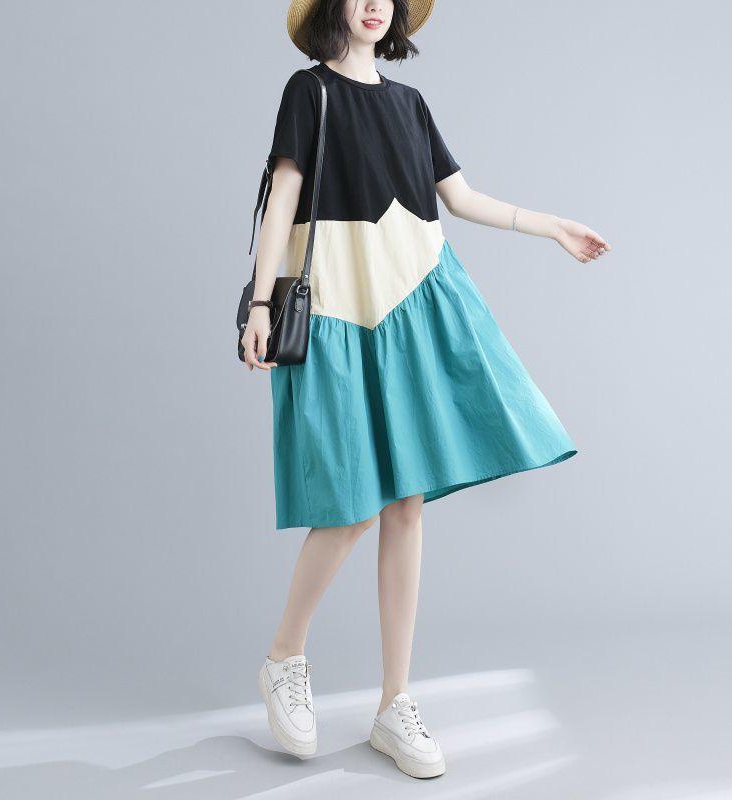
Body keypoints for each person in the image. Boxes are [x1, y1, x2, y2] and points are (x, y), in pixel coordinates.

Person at [244, 0, 611, 780]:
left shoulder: (410, 103)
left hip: (410, 298)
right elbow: (283, 197)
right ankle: (284, 657)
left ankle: (394, 702)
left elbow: (461, 198)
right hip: (337, 305)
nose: (376, 4)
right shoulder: (309, 92)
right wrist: (261, 303)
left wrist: (550, 225)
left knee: (406, 504)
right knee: (349, 504)